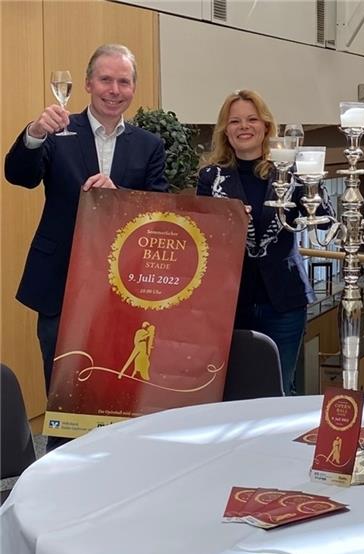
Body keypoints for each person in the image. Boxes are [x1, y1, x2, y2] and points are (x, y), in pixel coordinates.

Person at [4, 43, 168, 399]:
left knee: (118, 390)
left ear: (133, 88)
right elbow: (20, 175)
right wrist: (34, 134)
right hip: (59, 284)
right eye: (105, 79)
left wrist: (118, 193)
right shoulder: (57, 130)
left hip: (126, 289)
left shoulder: (149, 145)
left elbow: (158, 211)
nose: (114, 90)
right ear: (88, 84)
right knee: (63, 390)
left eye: (123, 82)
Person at [197, 89, 334, 396]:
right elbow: (203, 236)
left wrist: (313, 185)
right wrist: (227, 222)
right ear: (225, 130)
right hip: (229, 302)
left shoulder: (290, 171)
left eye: (251, 119)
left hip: (283, 301)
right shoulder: (211, 177)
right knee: (231, 390)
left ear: (266, 126)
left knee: (278, 387)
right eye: (235, 121)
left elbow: (325, 218)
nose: (243, 126)